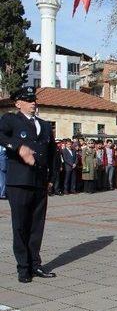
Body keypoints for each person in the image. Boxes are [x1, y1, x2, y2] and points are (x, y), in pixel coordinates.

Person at [0, 87, 57, 282]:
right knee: (21, 225)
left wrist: (52, 178)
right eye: (28, 99)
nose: (33, 102)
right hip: (20, 181)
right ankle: (23, 267)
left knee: (36, 225)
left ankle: (35, 264)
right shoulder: (11, 120)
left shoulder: (44, 125)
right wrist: (18, 147)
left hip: (40, 181)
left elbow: (52, 153)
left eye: (33, 98)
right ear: (18, 103)